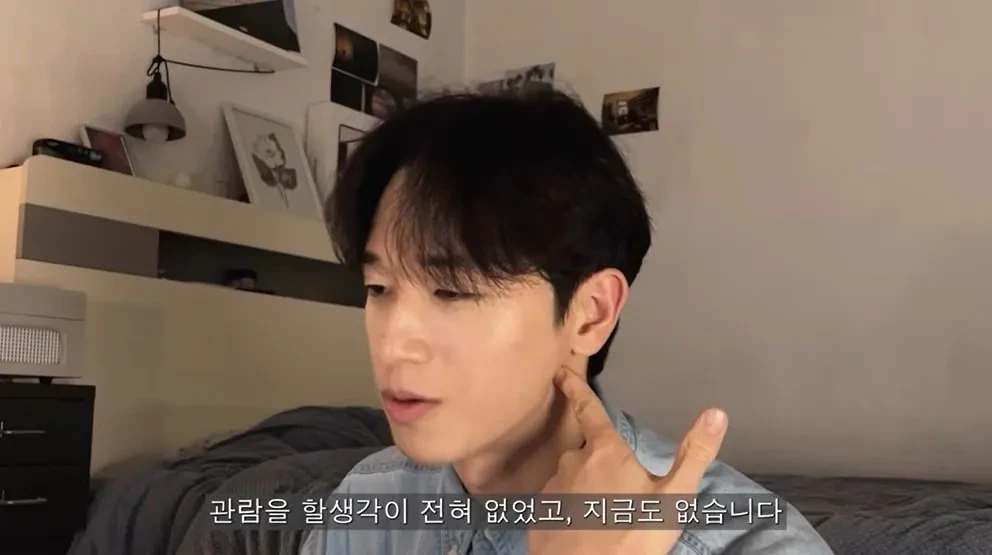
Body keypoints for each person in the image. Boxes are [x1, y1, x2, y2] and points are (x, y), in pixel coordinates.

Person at [301, 89, 833, 554]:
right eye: (378, 288)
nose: (393, 343)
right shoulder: (367, 504)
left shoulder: (753, 543)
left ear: (591, 313)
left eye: (452, 290)